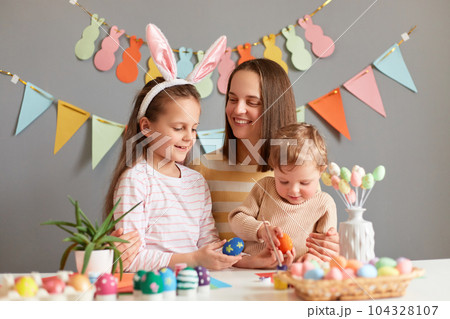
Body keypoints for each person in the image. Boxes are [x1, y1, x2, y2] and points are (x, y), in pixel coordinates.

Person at [105, 23, 240, 272]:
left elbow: (207, 244)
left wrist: (245, 255)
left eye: (194, 127)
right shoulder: (136, 181)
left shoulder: (196, 182)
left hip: (195, 289)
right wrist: (195, 259)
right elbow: (130, 259)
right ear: (146, 126)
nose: (189, 138)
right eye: (178, 128)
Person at [190, 59, 339, 264]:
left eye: (252, 102)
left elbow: (316, 250)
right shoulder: (202, 169)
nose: (238, 110)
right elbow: (188, 244)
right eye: (233, 99)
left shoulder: (297, 175)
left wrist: (327, 248)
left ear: (275, 108)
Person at [228, 123, 337, 268]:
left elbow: (323, 249)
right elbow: (236, 219)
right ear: (274, 169)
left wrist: (311, 259)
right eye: (283, 181)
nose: (293, 190)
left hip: (294, 274)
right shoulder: (265, 187)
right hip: (250, 267)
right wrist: (260, 230)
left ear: (321, 171)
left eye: (304, 183)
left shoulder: (324, 204)